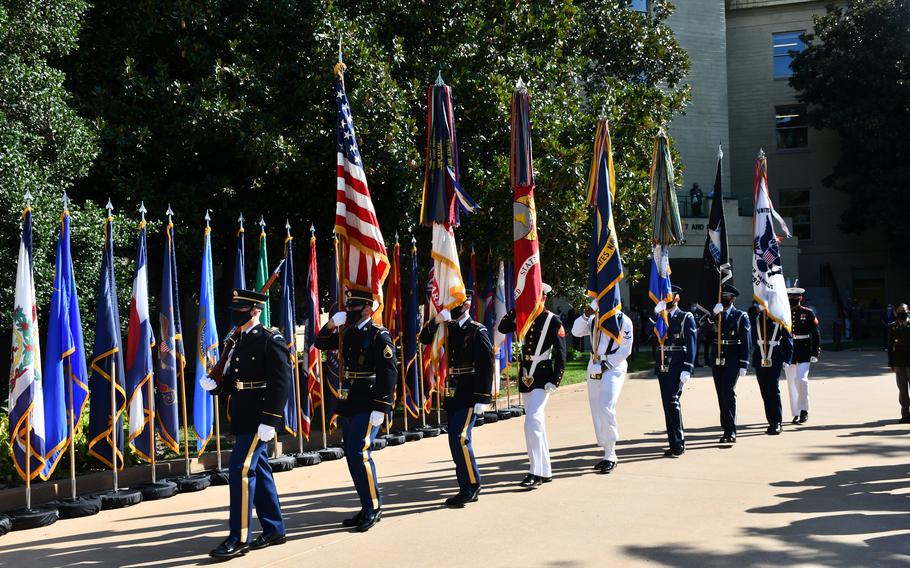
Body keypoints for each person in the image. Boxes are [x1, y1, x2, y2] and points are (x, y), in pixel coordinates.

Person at [201, 289, 292, 559]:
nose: (235, 313)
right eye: (234, 309)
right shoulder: (239, 339)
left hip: (259, 417)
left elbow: (281, 383)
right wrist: (217, 386)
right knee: (259, 470)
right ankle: (274, 529)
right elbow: (236, 378)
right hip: (242, 413)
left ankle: (239, 537)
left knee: (240, 469)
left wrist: (270, 420)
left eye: (241, 310)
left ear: (255, 311)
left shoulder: (270, 339)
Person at [314, 289, 396, 532]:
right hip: (350, 401)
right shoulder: (348, 333)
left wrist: (382, 407)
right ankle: (366, 504)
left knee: (360, 453)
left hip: (370, 402)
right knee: (351, 454)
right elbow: (320, 342)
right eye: (347, 308)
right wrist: (331, 323)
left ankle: (373, 506)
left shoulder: (378, 336)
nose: (348, 312)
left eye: (354, 308)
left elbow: (388, 373)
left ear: (368, 310)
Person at [418, 290, 493, 507]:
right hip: (453, 391)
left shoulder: (477, 330)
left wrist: (483, 397)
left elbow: (486, 365)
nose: (453, 307)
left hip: (470, 391)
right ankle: (465, 484)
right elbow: (424, 338)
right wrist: (436, 321)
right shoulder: (447, 328)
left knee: (460, 438)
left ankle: (472, 484)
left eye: (457, 303)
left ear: (467, 305)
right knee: (454, 440)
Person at [498, 283, 566, 488]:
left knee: (531, 421)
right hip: (526, 374)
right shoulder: (524, 318)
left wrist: (555, 379)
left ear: (544, 298)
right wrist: (518, 307)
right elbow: (503, 327)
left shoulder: (553, 320)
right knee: (536, 424)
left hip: (543, 375)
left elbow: (561, 353)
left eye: (536, 297)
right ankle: (545, 470)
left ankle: (534, 471)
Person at [571, 300, 633, 474]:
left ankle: (611, 454)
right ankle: (605, 448)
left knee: (607, 406)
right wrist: (588, 312)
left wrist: (607, 365)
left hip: (614, 366)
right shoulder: (593, 318)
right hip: (594, 364)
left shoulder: (624, 320)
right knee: (597, 407)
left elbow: (625, 349)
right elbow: (575, 332)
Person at [650, 285, 697, 457]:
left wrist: (688, 368)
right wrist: (656, 314)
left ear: (677, 298)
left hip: (678, 365)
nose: (667, 299)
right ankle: (673, 442)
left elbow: (692, 344)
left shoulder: (685, 317)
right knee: (666, 404)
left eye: (670, 296)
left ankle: (679, 442)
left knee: (672, 401)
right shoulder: (661, 317)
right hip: (663, 364)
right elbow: (650, 334)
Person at [708, 284, 751, 443]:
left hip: (732, 358)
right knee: (721, 393)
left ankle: (730, 431)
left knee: (728, 392)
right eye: (723, 296)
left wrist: (744, 363)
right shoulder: (716, 314)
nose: (724, 299)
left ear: (733, 298)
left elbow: (746, 341)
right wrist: (713, 315)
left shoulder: (740, 316)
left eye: (727, 296)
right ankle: (725, 423)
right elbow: (705, 331)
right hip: (717, 358)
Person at [749, 304, 793, 435]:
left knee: (773, 389)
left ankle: (777, 422)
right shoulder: (756, 318)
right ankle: (770, 421)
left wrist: (787, 359)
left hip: (775, 356)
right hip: (760, 358)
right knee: (764, 391)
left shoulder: (779, 319)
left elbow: (787, 338)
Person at [785, 287, 820, 424]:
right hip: (788, 351)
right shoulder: (783, 313)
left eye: (795, 298)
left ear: (800, 299)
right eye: (791, 298)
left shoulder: (808, 313)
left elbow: (815, 333)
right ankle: (796, 412)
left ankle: (804, 410)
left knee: (802, 379)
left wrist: (815, 351)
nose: (793, 300)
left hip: (804, 349)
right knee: (791, 383)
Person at [887, 303, 910, 423]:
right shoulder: (892, 327)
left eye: (904, 310)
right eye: (900, 310)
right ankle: (905, 414)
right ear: (896, 312)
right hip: (899, 362)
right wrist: (891, 364)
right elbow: (890, 347)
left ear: (908, 311)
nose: (902, 312)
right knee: (902, 389)